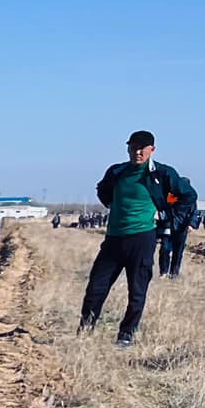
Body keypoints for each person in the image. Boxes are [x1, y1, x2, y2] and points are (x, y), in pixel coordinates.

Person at [79, 130, 192, 346]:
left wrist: (169, 217)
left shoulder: (162, 174)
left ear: (152, 150)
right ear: (128, 148)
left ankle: (126, 335)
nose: (137, 152)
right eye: (133, 148)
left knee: (137, 290)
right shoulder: (117, 171)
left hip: (142, 238)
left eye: (142, 148)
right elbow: (102, 190)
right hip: (114, 239)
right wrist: (113, 205)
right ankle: (85, 330)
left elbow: (188, 195)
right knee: (96, 287)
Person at [157, 174, 196, 279]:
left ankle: (174, 273)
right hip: (169, 226)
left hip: (182, 228)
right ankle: (163, 272)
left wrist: (191, 224)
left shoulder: (191, 199)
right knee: (165, 249)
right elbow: (165, 209)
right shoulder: (171, 197)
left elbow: (194, 213)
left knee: (178, 252)